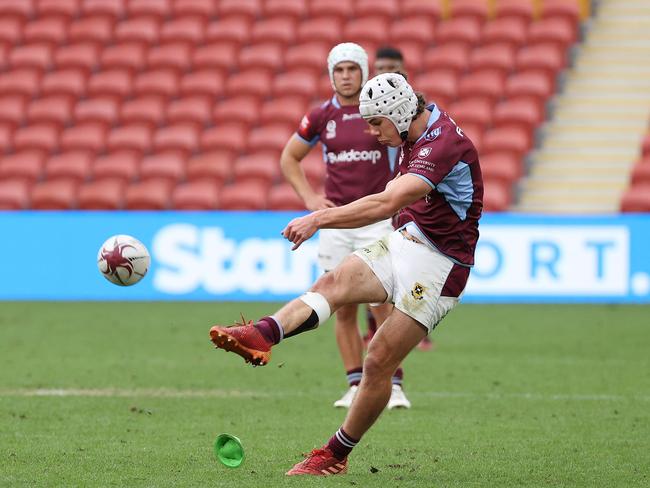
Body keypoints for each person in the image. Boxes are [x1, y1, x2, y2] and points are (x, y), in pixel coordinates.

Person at [209, 72, 483, 476]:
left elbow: (386, 202)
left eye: (376, 122)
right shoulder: (413, 132)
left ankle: (334, 454)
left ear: (400, 111)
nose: (372, 132)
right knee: (333, 282)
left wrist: (319, 217)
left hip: (441, 266)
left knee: (378, 362)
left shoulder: (443, 143)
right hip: (410, 239)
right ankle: (263, 335)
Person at [277, 42, 410, 410]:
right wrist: (310, 200)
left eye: (353, 69)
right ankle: (354, 383)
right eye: (340, 70)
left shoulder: (378, 111)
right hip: (336, 222)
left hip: (375, 219)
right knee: (341, 305)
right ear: (331, 74)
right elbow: (290, 158)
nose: (346, 76)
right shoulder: (321, 116)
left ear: (364, 72)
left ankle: (392, 383)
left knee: (381, 301)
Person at [363, 45, 435, 353]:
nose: (384, 72)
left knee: (406, 268)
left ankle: (414, 327)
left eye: (391, 67)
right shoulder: (369, 116)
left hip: (409, 199)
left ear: (403, 70)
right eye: (379, 67)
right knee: (375, 271)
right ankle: (376, 331)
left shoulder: (418, 117)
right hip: (380, 199)